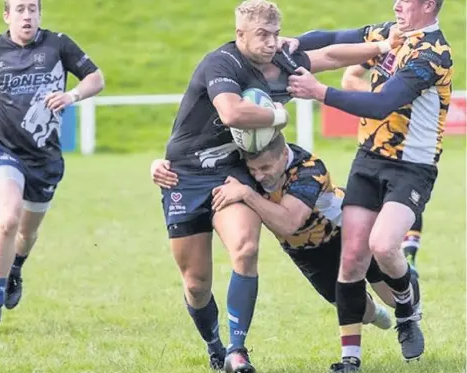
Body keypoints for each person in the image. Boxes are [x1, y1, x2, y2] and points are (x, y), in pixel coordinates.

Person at [158, 0, 402, 373]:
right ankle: (214, 346)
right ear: (240, 34)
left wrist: (383, 46)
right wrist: (279, 113)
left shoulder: (282, 61)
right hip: (185, 175)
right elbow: (231, 112)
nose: (270, 43)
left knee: (246, 247)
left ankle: (237, 350)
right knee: (196, 282)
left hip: (234, 173)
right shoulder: (222, 63)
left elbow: (332, 57)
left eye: (275, 34)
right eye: (261, 35)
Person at [285, 0, 452, 373]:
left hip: (411, 167)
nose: (397, 6)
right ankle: (350, 360)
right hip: (368, 161)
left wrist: (319, 92)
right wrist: (293, 43)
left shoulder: (433, 54)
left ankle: (407, 311)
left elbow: (382, 105)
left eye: (405, 0)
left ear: (428, 6)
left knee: (383, 246)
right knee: (352, 258)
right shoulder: (390, 33)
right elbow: (334, 37)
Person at [0, 0, 105, 328]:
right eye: (20, 9)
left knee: (26, 232)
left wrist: (72, 96)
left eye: (32, 9)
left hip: (45, 157)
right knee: (7, 219)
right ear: (7, 15)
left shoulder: (58, 44)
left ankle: (15, 270)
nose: (27, 16)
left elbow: (96, 78)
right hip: (2, 147)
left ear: (40, 13)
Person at [152, 133, 401, 331]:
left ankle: (411, 316)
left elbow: (288, 223)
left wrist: (247, 193)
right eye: (254, 170)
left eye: (266, 167)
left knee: (392, 297)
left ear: (283, 155)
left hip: (347, 232)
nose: (260, 176)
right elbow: (202, 166)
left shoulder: (309, 168)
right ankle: (374, 312)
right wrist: (161, 165)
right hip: (308, 253)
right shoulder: (248, 168)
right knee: (359, 309)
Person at [342, 64, 424, 277]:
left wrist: (387, 99)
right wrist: (383, 98)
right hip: (374, 148)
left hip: (412, 150)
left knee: (404, 203)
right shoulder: (381, 44)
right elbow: (349, 78)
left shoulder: (426, 54)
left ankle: (408, 255)